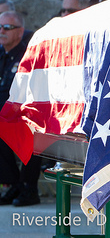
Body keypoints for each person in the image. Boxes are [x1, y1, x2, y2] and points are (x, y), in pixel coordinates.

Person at [0, 11, 41, 207]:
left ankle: (28, 188)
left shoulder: (27, 55)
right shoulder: (2, 54)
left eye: (7, 27)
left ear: (20, 31)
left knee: (29, 134)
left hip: (24, 113)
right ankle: (13, 183)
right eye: (0, 27)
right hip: (4, 114)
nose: (2, 31)